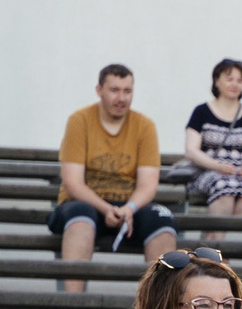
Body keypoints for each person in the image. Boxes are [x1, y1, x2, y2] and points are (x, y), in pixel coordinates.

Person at [54, 63, 170, 290]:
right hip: (84, 203)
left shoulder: (144, 126)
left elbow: (148, 184)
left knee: (163, 222)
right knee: (81, 218)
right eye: (114, 90)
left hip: (129, 207)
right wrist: (106, 209)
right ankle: (72, 308)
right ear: (99, 90)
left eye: (127, 91)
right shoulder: (80, 120)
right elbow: (73, 182)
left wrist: (129, 208)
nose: (121, 98)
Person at [183, 59, 242, 226]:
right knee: (224, 189)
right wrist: (218, 166)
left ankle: (226, 242)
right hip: (210, 170)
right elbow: (191, 150)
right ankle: (214, 242)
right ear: (216, 81)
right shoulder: (202, 112)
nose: (234, 84)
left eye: (239, 80)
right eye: (229, 79)